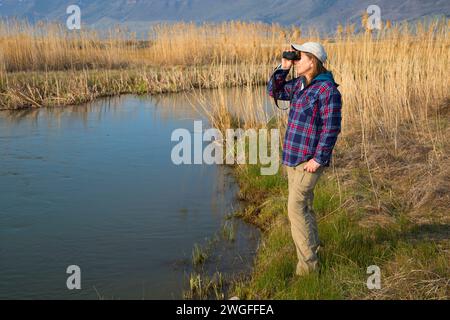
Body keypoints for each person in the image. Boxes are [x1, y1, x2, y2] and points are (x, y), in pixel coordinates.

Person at [267, 42, 342, 276]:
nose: (296, 59)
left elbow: (331, 129)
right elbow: (275, 91)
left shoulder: (327, 91)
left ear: (313, 61)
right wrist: (284, 66)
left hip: (308, 161)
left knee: (295, 209)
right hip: (293, 157)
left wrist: (318, 159)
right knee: (305, 207)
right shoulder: (300, 84)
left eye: (300, 57)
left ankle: (308, 269)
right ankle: (314, 246)